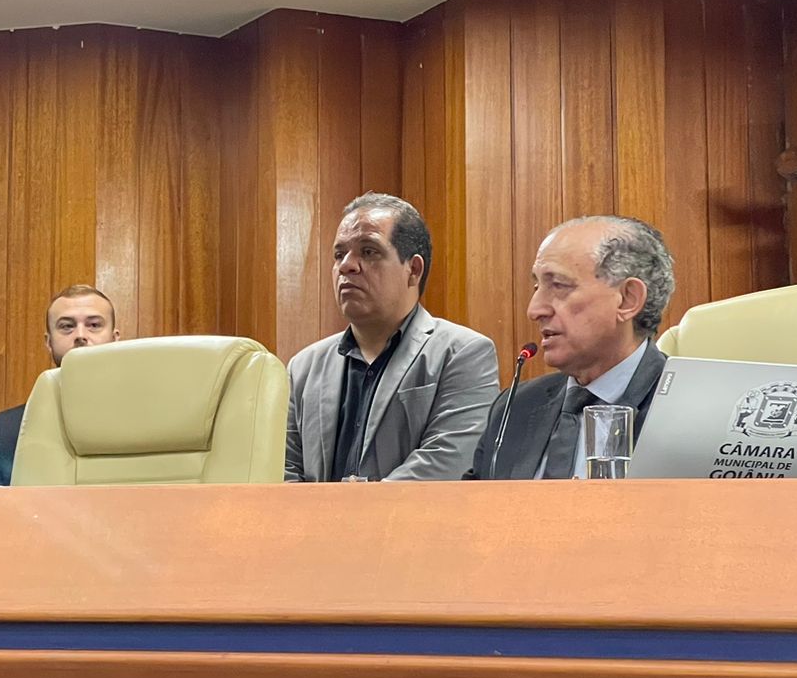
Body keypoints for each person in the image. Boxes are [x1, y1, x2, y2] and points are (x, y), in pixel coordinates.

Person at [287, 193, 498, 481]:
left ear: (413, 270)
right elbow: (284, 470)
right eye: (339, 254)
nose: (347, 265)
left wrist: (351, 506)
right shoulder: (303, 367)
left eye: (368, 252)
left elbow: (447, 462)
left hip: (416, 512)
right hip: (313, 513)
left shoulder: (463, 353)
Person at [469, 215, 673, 480]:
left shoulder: (693, 410)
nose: (534, 310)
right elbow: (471, 503)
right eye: (537, 286)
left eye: (558, 286)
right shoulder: (515, 407)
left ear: (627, 300)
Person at [0, 285, 120, 486]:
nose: (80, 335)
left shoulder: (146, 420)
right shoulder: (8, 428)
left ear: (114, 339)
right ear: (48, 342)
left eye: (94, 325)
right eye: (66, 326)